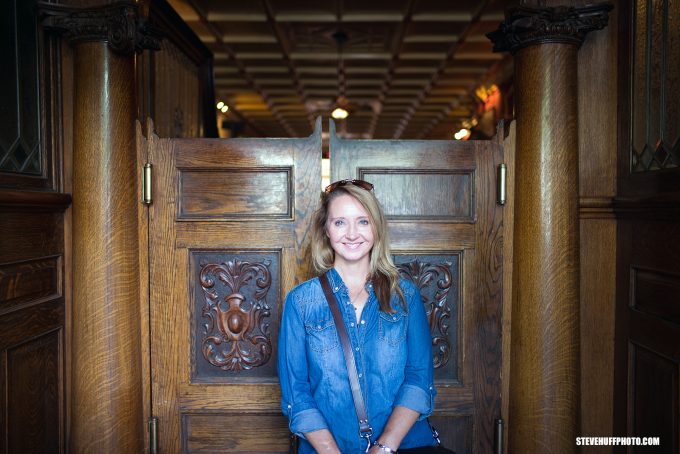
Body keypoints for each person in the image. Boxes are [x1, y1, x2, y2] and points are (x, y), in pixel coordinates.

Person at [278, 179, 437, 453]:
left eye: (363, 221)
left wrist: (384, 447)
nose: (352, 234)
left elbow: (419, 379)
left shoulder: (405, 296)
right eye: (340, 222)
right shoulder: (301, 302)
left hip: (403, 447)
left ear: (376, 227)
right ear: (326, 229)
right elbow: (296, 393)